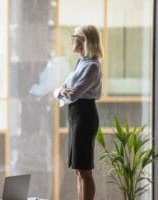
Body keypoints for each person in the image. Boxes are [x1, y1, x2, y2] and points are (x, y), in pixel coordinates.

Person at [54, 25, 103, 200]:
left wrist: (64, 91)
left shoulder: (92, 67)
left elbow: (73, 93)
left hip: (85, 115)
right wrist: (62, 91)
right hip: (75, 116)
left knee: (84, 169)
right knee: (78, 170)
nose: (72, 40)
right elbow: (62, 90)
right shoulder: (81, 63)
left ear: (83, 41)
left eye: (74, 36)